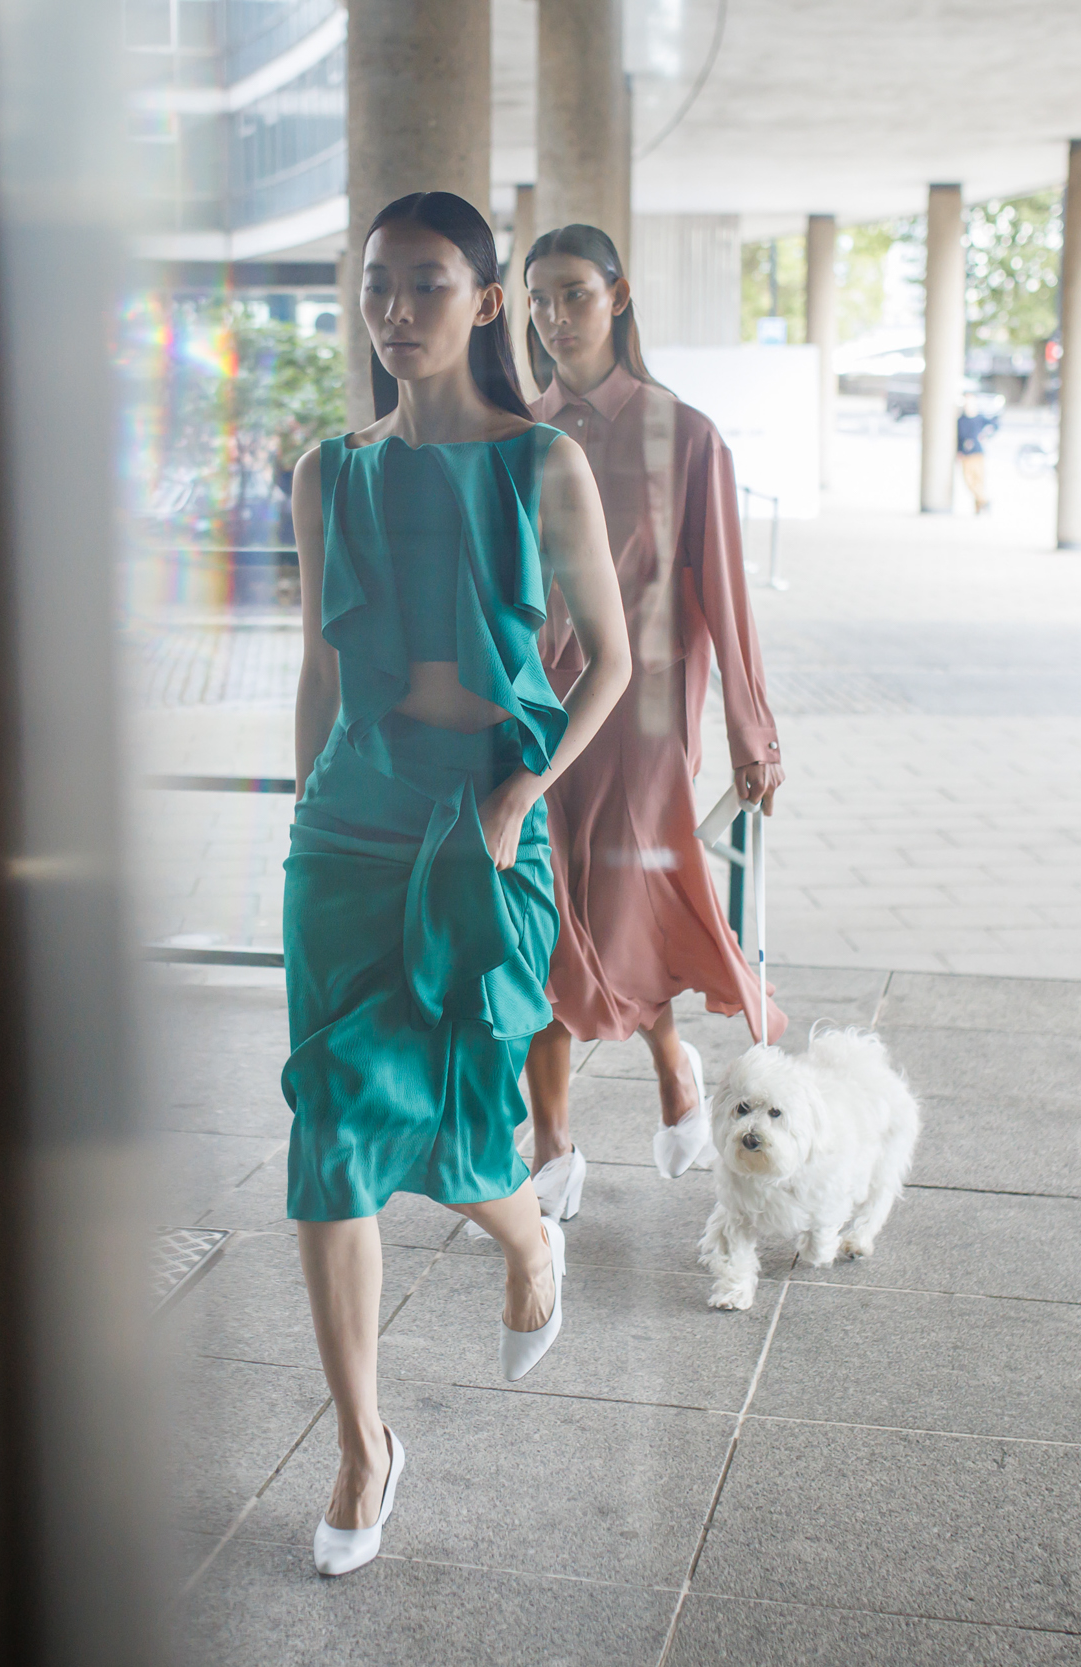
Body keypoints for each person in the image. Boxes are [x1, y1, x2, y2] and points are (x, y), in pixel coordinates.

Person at [284, 190, 630, 1578]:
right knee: (334, 1125)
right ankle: (366, 1443)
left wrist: (517, 792)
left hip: (483, 830)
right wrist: (300, 822)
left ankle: (526, 1229)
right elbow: (317, 671)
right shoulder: (328, 470)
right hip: (350, 834)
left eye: (429, 284)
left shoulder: (542, 461)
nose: (397, 309)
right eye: (379, 284)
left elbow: (608, 660)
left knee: (466, 1117)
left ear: (486, 302)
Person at [513, 222, 787, 1218]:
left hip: (643, 720)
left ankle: (670, 1055)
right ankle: (552, 1136)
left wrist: (754, 735)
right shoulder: (519, 432)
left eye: (574, 294)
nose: (554, 317)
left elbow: (724, 589)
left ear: (618, 298)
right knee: (539, 914)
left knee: (625, 907)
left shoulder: (685, 433)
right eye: (538, 298)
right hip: (537, 715)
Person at [955, 392, 994, 514]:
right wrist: (959, 451)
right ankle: (983, 501)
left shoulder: (979, 418)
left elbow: (994, 424)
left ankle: (980, 504)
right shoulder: (961, 420)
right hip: (966, 455)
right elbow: (958, 438)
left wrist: (986, 435)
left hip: (978, 453)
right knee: (969, 481)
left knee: (979, 480)